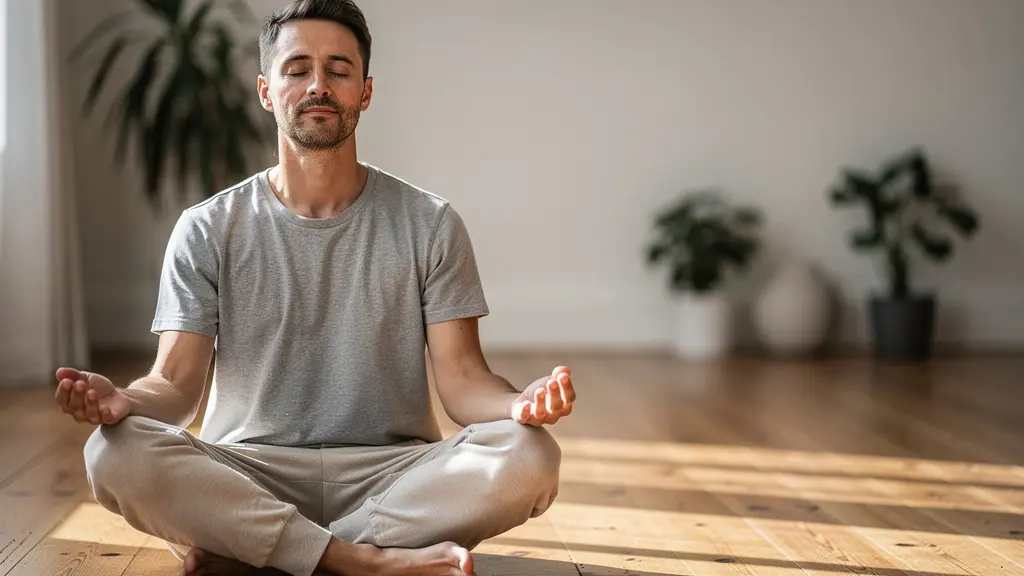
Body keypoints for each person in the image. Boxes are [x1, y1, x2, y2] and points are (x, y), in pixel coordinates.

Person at [52, 1, 577, 574]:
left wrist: (517, 404)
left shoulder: (430, 223)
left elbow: (464, 381)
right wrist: (124, 401)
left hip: (393, 476)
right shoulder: (207, 228)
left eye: (338, 70)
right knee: (112, 450)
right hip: (248, 472)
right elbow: (175, 386)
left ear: (365, 92)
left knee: (531, 453)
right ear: (266, 90)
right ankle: (361, 560)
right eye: (298, 69)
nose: (318, 85)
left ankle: (260, 551)